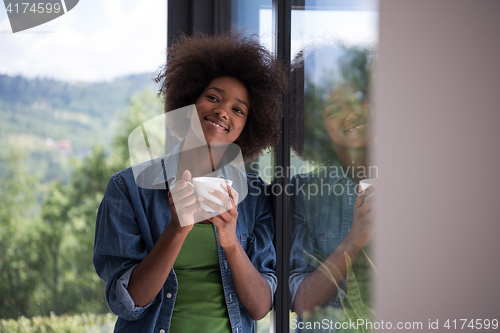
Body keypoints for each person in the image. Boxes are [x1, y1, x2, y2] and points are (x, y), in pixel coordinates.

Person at [93, 33, 286, 333]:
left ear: (247, 127)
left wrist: (231, 241)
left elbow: (260, 307)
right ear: (189, 101)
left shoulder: (256, 195)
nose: (223, 111)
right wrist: (177, 228)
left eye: (238, 110)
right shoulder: (128, 189)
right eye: (213, 97)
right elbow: (127, 303)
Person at [288, 45, 375, 332]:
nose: (350, 114)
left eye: (357, 98)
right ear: (313, 122)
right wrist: (355, 239)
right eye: (333, 108)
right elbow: (301, 302)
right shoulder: (302, 194)